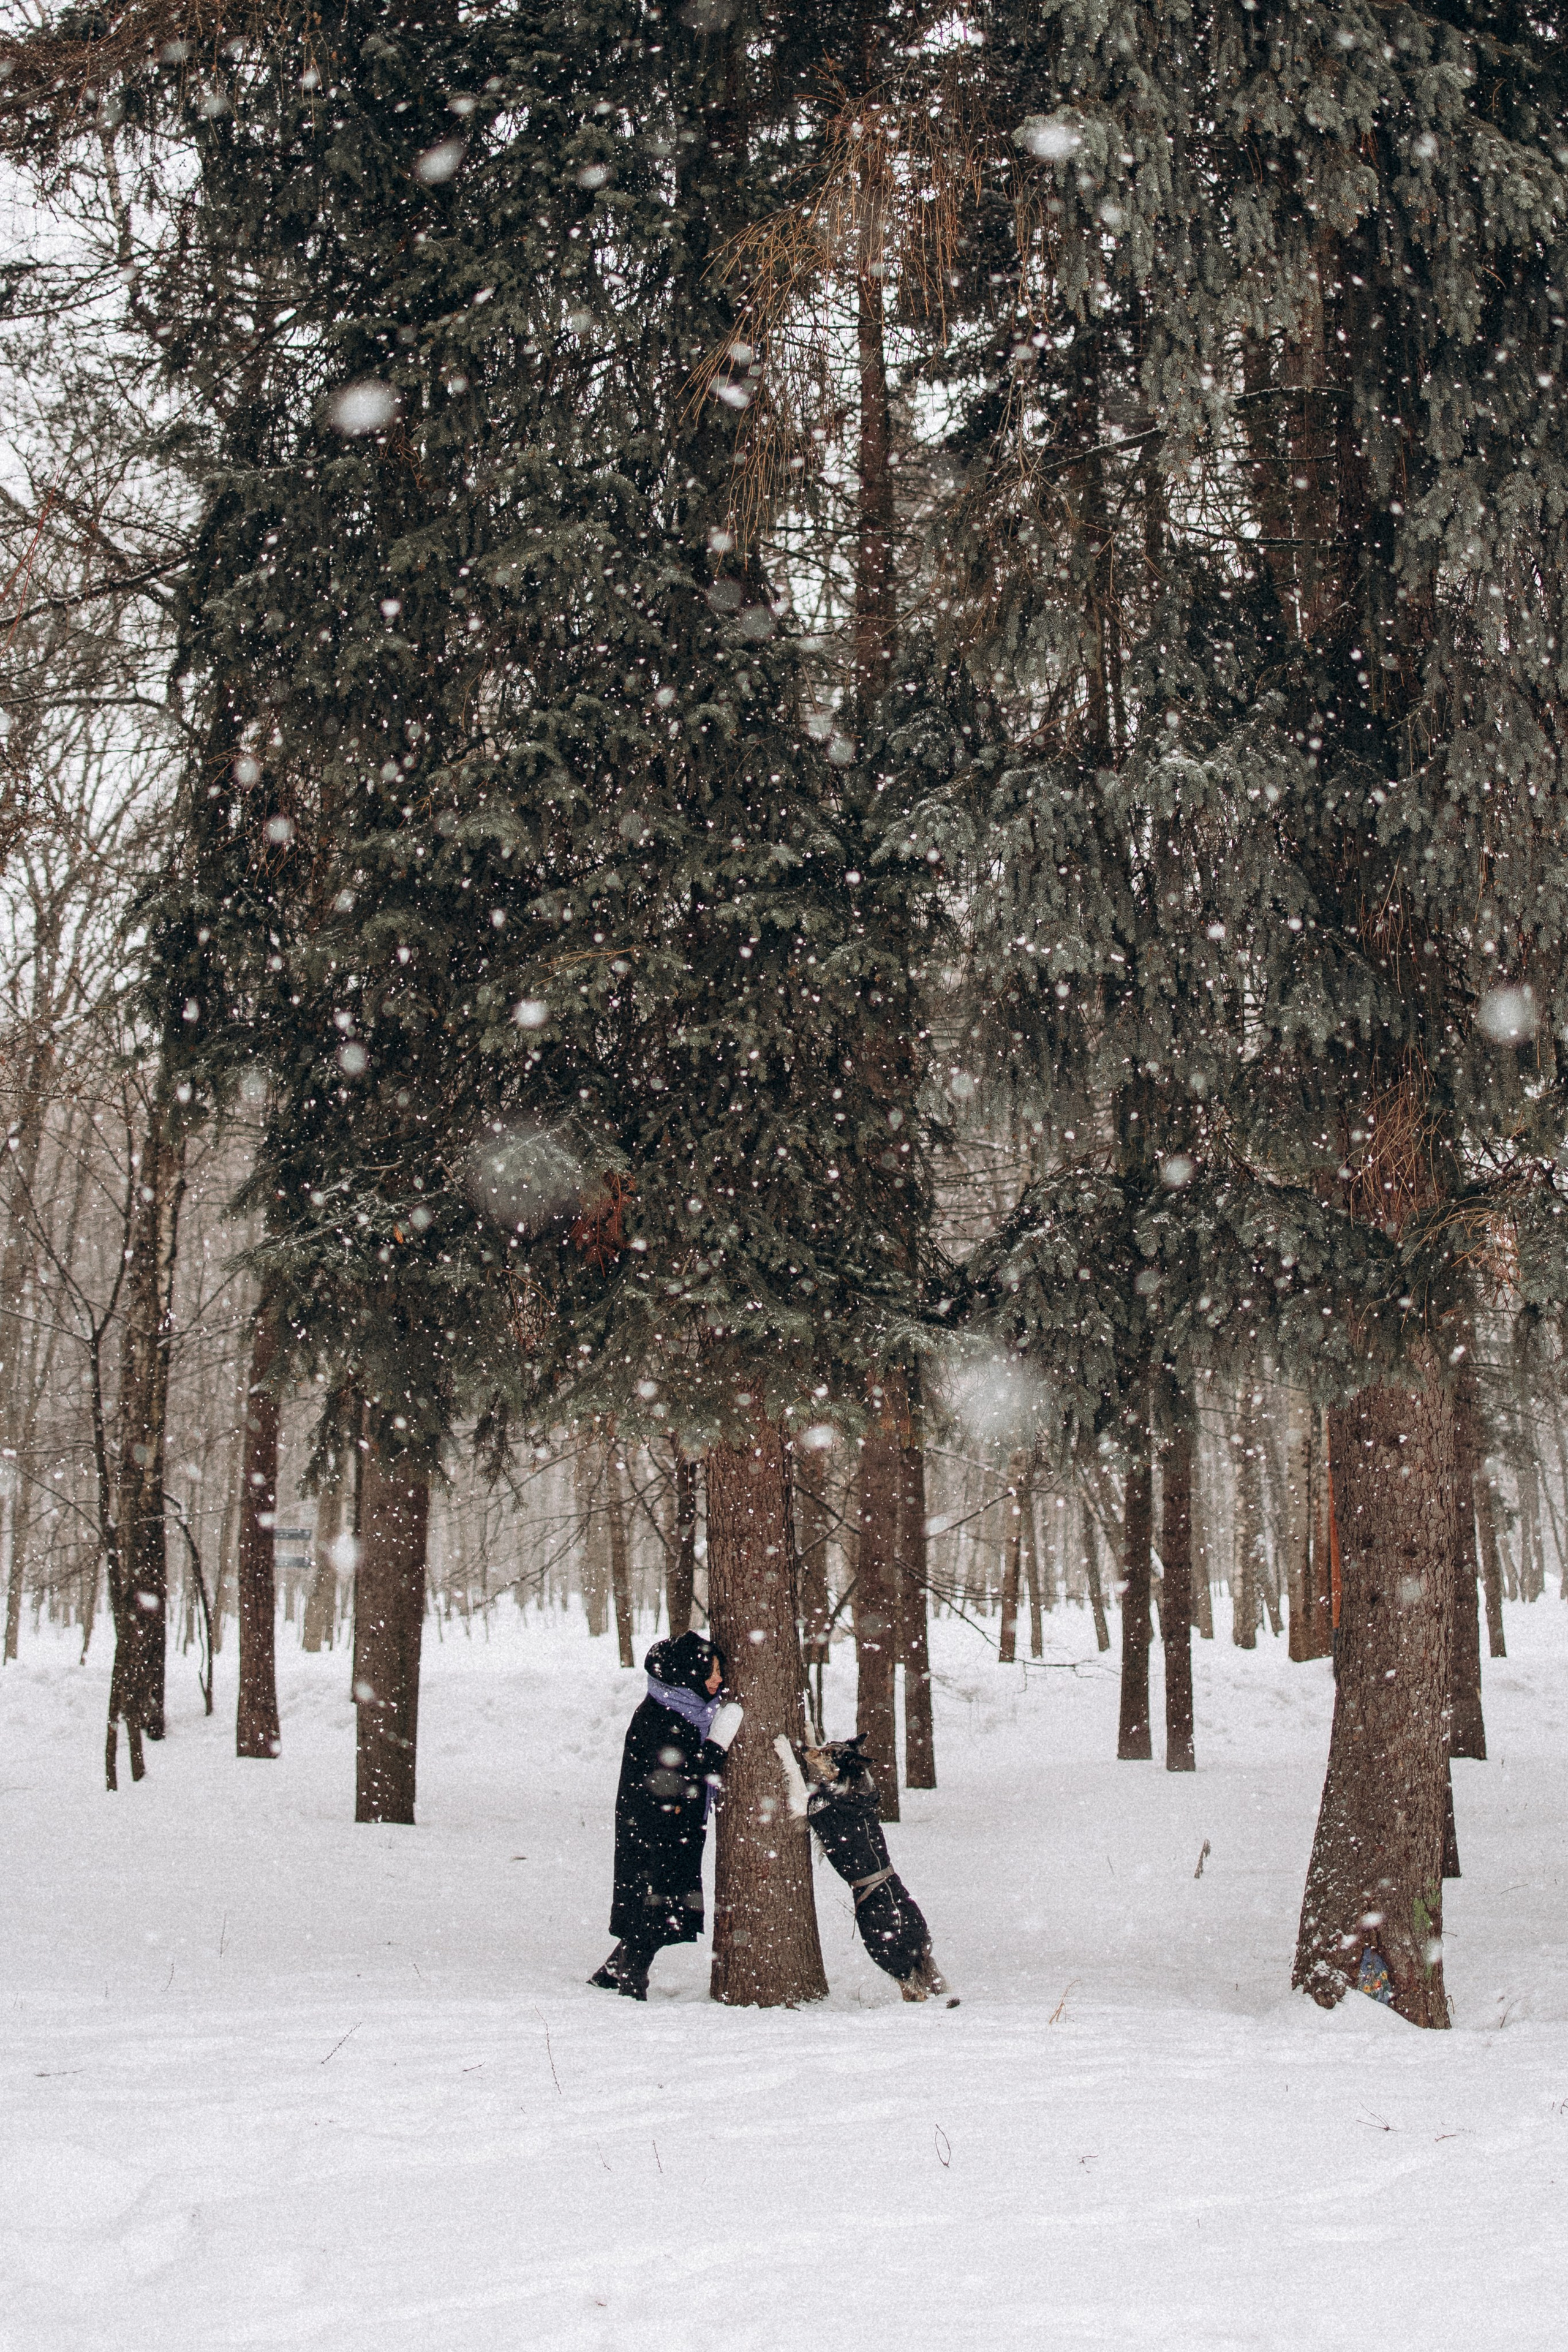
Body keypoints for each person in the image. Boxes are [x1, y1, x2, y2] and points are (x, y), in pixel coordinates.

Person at [590, 1630, 742, 2001]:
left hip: (668, 1828)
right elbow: (679, 1772)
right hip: (655, 1832)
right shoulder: (662, 1717)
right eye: (712, 1672)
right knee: (654, 1906)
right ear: (688, 1674)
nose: (720, 1680)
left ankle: (612, 1972)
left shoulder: (681, 1706)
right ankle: (631, 1983)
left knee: (660, 1904)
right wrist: (717, 1746)